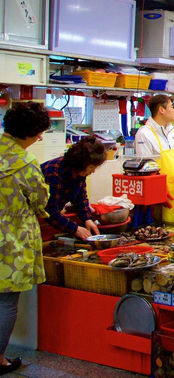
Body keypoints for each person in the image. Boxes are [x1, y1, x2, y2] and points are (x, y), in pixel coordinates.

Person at [0, 102, 51, 374]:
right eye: (40, 132)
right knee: (6, 302)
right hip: (11, 242)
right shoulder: (26, 163)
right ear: (29, 133)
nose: (41, 137)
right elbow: (40, 202)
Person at [135, 95, 174, 225]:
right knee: (164, 226)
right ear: (161, 110)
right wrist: (158, 192)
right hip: (163, 193)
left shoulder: (173, 132)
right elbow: (145, 169)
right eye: (171, 107)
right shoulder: (144, 134)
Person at [41, 136, 107, 240]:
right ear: (81, 163)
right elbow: (50, 210)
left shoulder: (80, 172)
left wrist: (87, 219)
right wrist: (75, 229)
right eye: (91, 167)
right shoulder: (54, 173)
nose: (93, 171)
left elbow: (81, 197)